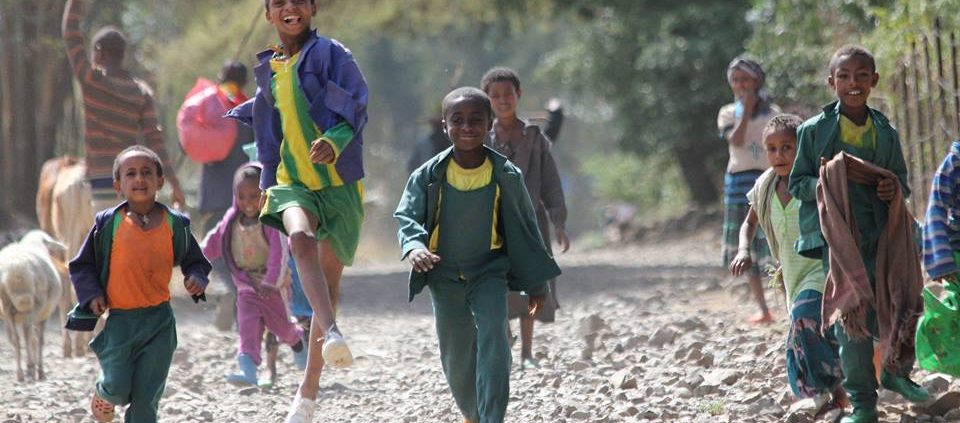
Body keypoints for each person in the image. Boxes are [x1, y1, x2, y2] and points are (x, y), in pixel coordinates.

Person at [226, 0, 369, 421]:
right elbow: (272, 127)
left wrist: (336, 140)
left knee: (328, 285)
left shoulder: (333, 56)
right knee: (300, 237)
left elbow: (357, 106)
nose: (291, 7)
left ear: (313, 8)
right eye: (279, 3)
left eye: (299, 0)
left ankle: (307, 394)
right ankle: (335, 333)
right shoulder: (269, 70)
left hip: (340, 185)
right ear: (269, 13)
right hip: (291, 182)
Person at [395, 87, 561, 423]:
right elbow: (408, 217)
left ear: (489, 125)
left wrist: (538, 285)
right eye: (458, 120)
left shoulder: (506, 175)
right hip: (444, 276)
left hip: (489, 272)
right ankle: (473, 412)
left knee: (495, 341)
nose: (467, 127)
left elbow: (526, 231)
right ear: (445, 126)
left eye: (476, 120)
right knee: (456, 359)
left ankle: (491, 417)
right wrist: (414, 247)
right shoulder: (428, 176)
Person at [789, 45, 928, 423]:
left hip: (881, 236)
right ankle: (864, 404)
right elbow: (797, 181)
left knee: (899, 302)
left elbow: (900, 179)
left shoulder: (886, 131)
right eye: (845, 76)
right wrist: (829, 181)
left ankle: (897, 373)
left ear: (874, 81)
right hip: (837, 242)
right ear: (831, 82)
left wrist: (891, 189)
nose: (854, 83)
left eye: (862, 76)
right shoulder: (814, 131)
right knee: (852, 316)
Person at [65, 146, 210, 423]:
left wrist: (196, 279)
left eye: (147, 172)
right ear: (118, 185)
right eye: (130, 174)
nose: (139, 179)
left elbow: (195, 261)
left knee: (146, 402)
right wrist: (92, 294)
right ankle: (103, 392)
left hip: (159, 323)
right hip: (121, 321)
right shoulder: (108, 224)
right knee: (118, 388)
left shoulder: (174, 224)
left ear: (160, 181)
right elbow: (82, 265)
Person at [729, 114, 844, 414]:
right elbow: (748, 225)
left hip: (822, 269)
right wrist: (744, 250)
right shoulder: (764, 187)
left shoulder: (815, 183)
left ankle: (816, 391)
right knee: (807, 332)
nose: (779, 155)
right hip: (791, 273)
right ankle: (839, 392)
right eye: (772, 148)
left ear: (801, 147)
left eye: (787, 147)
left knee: (805, 318)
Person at [481, 67, 568, 370]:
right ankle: (504, 338)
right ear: (488, 100)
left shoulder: (534, 137)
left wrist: (559, 223)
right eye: (496, 96)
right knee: (495, 284)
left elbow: (550, 182)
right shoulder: (482, 139)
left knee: (532, 283)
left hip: (531, 225)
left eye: (508, 94)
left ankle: (527, 352)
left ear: (519, 95)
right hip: (493, 227)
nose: (503, 100)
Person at [62, 0, 186, 212]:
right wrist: (174, 182)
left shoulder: (92, 80)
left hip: (101, 181)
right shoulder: (140, 91)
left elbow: (70, 33)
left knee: (105, 238)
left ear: (99, 53)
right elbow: (154, 140)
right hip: (132, 181)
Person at [200, 163, 308, 387]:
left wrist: (271, 282)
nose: (248, 202)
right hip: (246, 285)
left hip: (272, 286)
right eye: (242, 196)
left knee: (280, 326)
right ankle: (247, 370)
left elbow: (279, 254)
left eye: (254, 196)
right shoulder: (231, 220)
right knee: (247, 327)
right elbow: (213, 241)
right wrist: (195, 258)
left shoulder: (270, 222)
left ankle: (296, 341)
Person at [718, 56, 780, 324]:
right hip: (738, 186)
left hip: (768, 182)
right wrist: (745, 111)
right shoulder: (728, 113)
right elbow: (736, 140)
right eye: (736, 80)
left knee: (776, 245)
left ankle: (791, 306)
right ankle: (763, 308)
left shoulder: (773, 113)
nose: (741, 85)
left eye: (746, 79)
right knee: (748, 251)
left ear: (757, 81)